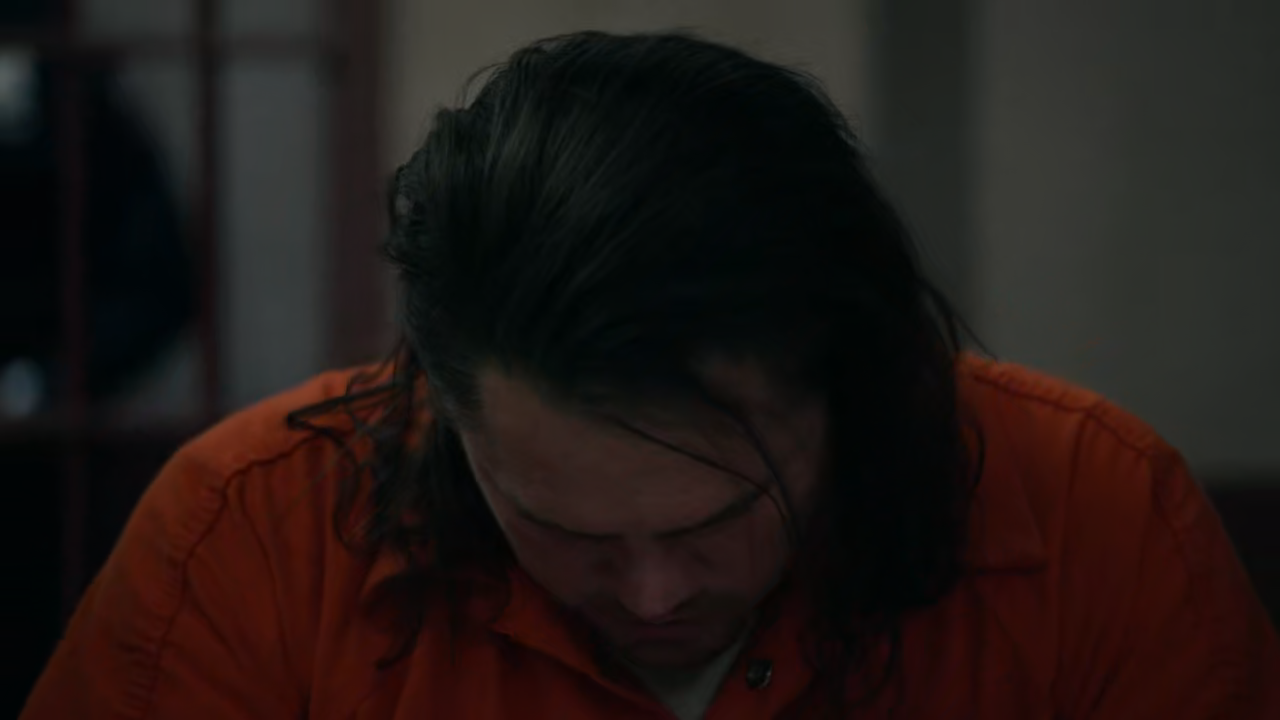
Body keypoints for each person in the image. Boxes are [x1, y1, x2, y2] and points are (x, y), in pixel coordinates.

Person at [22, 30, 1279, 720]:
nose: (654, 590)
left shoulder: (1092, 520)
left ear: (851, 388)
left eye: (717, 517)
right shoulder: (249, 531)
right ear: (441, 414)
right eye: (563, 529)